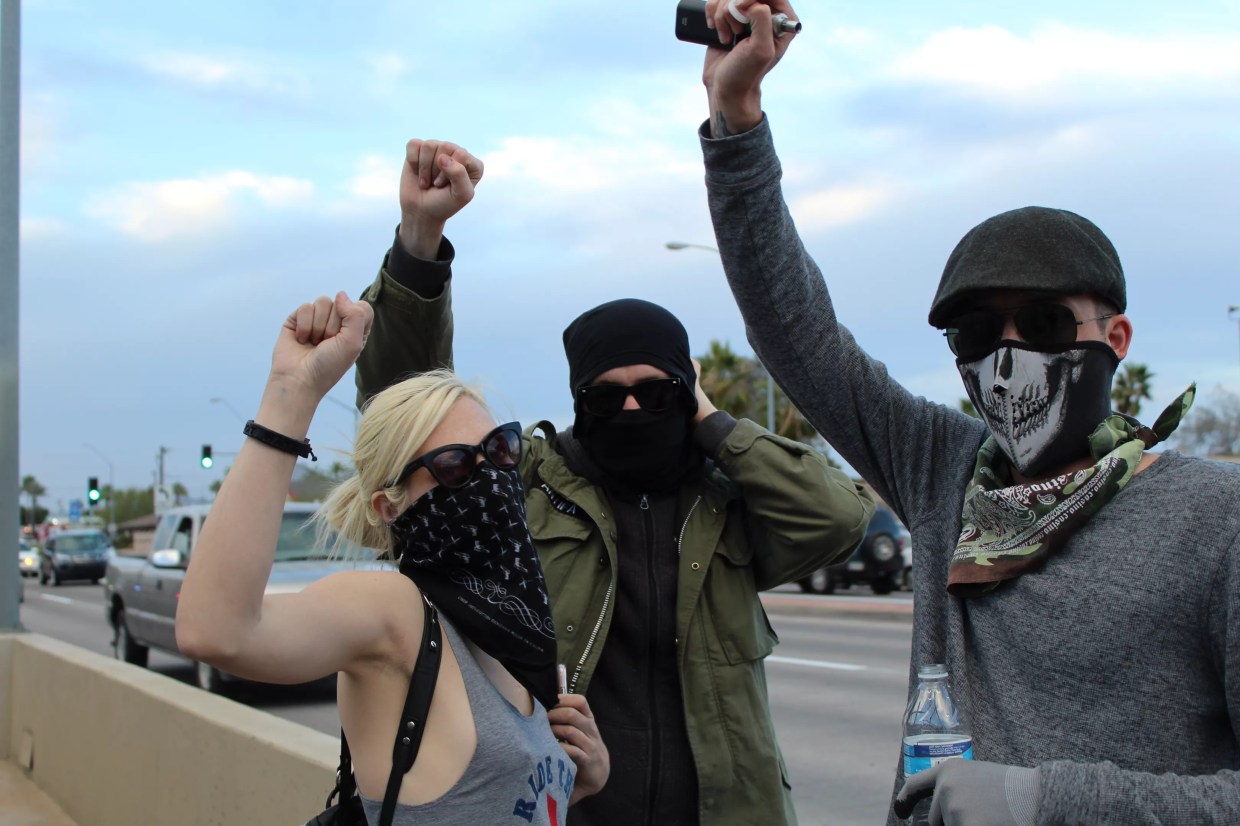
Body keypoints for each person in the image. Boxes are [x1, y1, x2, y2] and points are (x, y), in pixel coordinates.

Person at [694, 2, 1240, 824]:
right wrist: (736, 121)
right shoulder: (946, 473)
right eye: (980, 332)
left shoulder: (1215, 521)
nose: (1010, 352)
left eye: (1047, 323)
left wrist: (1039, 800)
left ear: (1117, 337)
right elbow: (793, 329)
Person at [351, 137, 876, 826]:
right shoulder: (528, 493)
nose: (632, 410)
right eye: (607, 397)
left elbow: (840, 518)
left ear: (688, 396)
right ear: (577, 400)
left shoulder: (724, 502)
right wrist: (421, 241)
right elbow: (408, 412)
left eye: (657, 393)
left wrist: (714, 425)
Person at [175, 292, 609, 825]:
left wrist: (577, 781)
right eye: (453, 465)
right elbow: (215, 632)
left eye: (499, 450)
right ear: (390, 505)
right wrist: (291, 393)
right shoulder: (395, 610)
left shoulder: (512, 620)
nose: (491, 478)